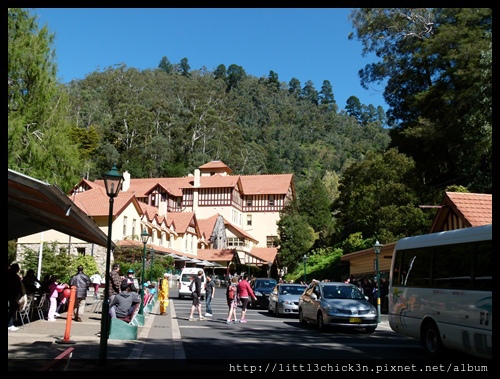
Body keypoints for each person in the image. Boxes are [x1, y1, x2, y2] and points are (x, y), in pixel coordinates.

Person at [8, 263, 26, 332]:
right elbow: (17, 286)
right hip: (13, 295)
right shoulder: (14, 276)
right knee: (12, 310)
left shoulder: (11, 275)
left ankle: (10, 324)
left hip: (12, 294)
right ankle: (9, 324)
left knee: (12, 310)